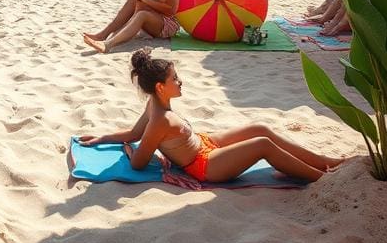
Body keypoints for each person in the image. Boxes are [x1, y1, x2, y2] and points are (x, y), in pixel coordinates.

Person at [77, 49, 343, 182]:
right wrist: (128, 153)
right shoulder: (161, 119)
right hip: (204, 166)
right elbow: (138, 162)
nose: (180, 82)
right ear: (160, 87)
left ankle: (326, 161)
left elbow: (135, 134)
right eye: (175, 79)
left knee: (259, 128)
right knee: (262, 145)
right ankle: (322, 178)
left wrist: (103, 137)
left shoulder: (153, 106)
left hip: (204, 143)